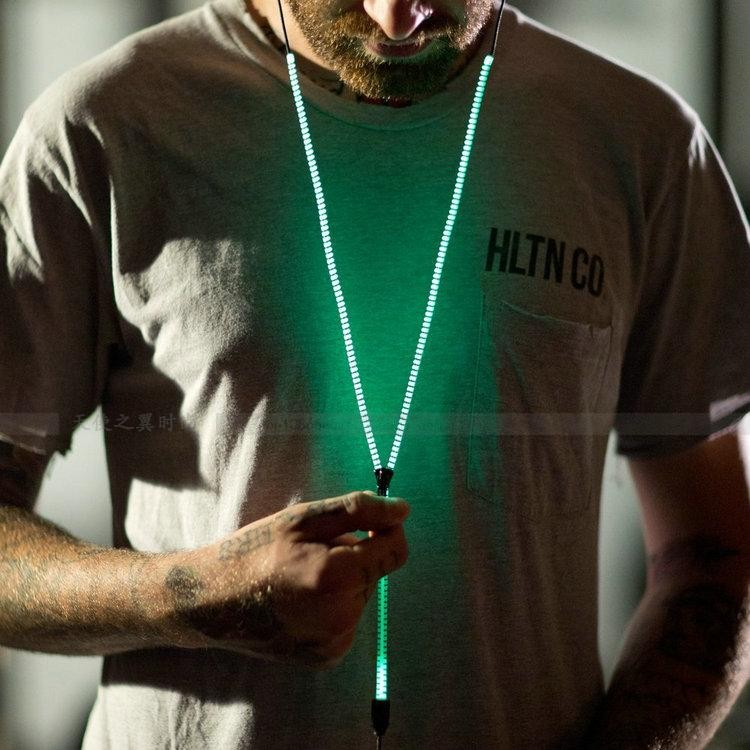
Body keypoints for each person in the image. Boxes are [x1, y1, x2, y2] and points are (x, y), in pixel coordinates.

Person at [0, 0, 749, 746]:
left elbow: (716, 559)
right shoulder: (100, 128)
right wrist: (199, 596)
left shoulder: (642, 145)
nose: (396, 19)